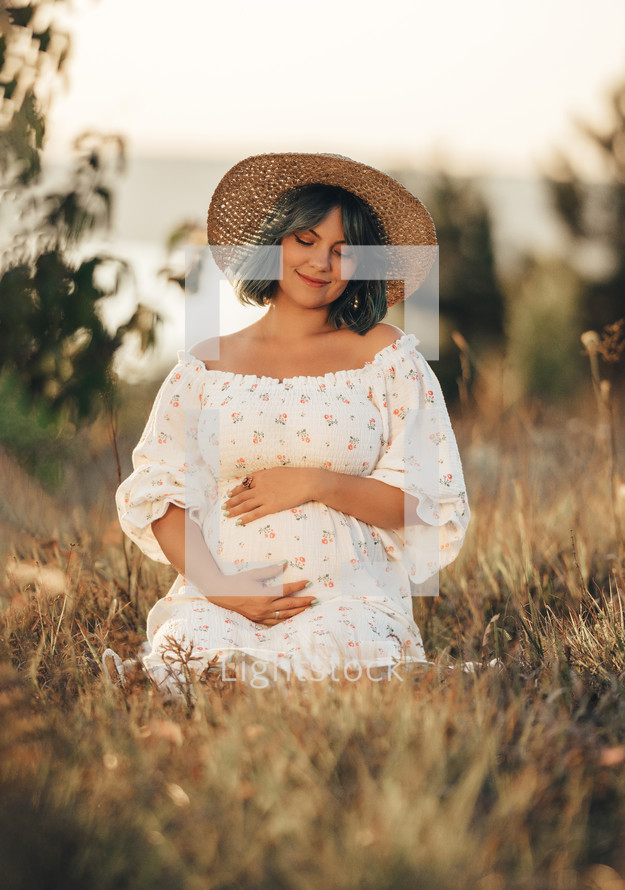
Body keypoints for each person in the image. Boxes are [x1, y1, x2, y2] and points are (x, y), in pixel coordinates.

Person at [111, 152, 470, 694]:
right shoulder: (205, 366)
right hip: (222, 597)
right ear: (274, 241)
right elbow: (162, 492)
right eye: (306, 240)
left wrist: (317, 482)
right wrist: (223, 589)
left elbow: (424, 504)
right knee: (190, 662)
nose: (321, 263)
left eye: (343, 252)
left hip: (349, 596)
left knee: (334, 668)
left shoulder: (386, 358)